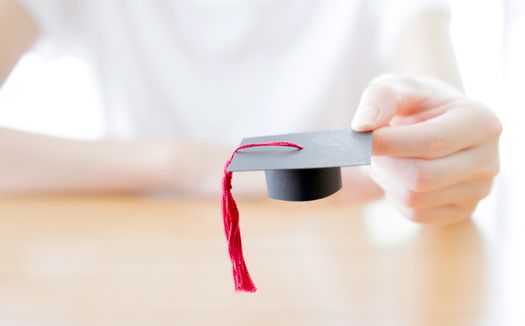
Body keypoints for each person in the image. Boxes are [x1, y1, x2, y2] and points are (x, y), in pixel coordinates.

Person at [0, 0, 501, 224]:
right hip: (130, 257)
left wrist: (445, 154)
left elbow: (439, 109)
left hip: (327, 257)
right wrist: (187, 163)